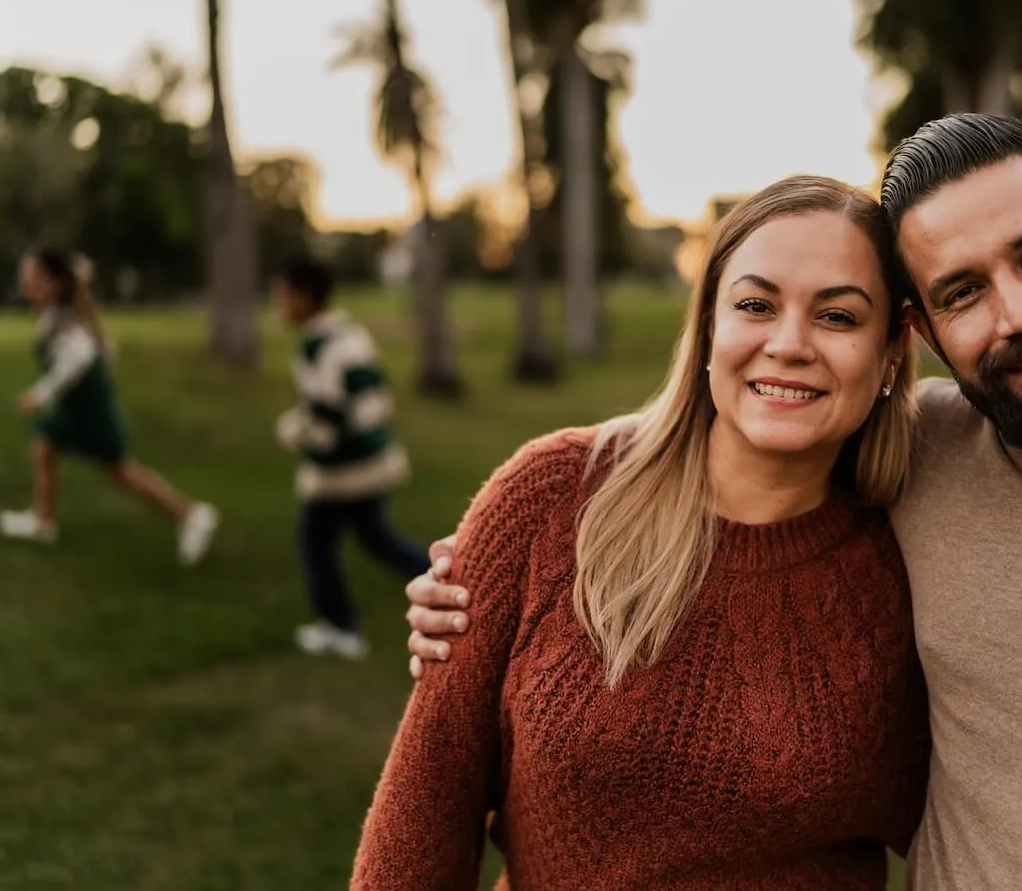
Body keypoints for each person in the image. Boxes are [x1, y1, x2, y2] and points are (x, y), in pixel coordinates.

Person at [403, 114, 1022, 890]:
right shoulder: (918, 462)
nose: (1018, 314)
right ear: (926, 331)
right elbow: (752, 419)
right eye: (963, 291)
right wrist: (488, 570)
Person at [350, 176, 931, 890]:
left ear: (892, 350)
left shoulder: (913, 559)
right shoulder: (553, 498)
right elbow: (427, 801)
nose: (789, 344)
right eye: (755, 305)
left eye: (838, 317)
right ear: (710, 328)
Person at [0, 247, 219, 565]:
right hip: (75, 406)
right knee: (44, 445)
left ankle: (190, 516)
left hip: (89, 407)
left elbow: (76, 361)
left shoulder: (68, 321)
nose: (25, 285)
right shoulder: (59, 314)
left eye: (32, 278)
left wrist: (40, 395)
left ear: (55, 283)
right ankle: (44, 521)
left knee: (119, 470)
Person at [273, 256, 431, 660]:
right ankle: (456, 586)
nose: (278, 303)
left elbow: (327, 420)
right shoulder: (348, 331)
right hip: (375, 458)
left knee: (316, 542)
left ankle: (341, 628)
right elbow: (373, 398)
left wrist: (292, 432)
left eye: (283, 294)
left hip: (343, 470)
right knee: (377, 539)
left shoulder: (315, 345)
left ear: (305, 297)